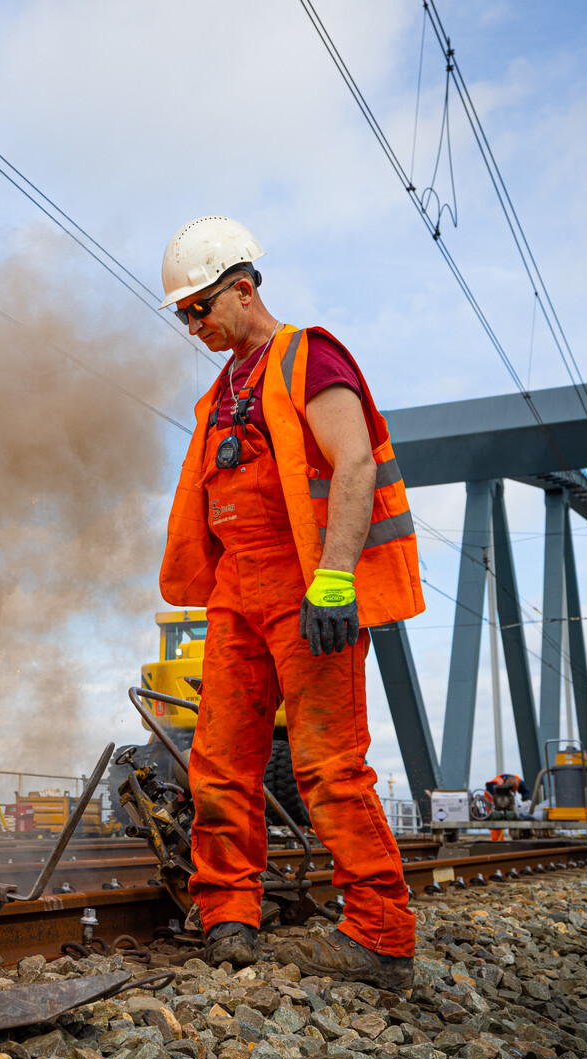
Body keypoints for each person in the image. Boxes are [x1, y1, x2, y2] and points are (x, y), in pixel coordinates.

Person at [156, 216, 425, 990]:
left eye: (199, 308)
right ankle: (229, 919)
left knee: (329, 764)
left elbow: (352, 463)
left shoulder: (309, 355)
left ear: (242, 290)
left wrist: (336, 576)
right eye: (182, 314)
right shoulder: (220, 393)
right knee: (219, 764)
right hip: (239, 593)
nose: (192, 324)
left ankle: (381, 934)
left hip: (308, 590)